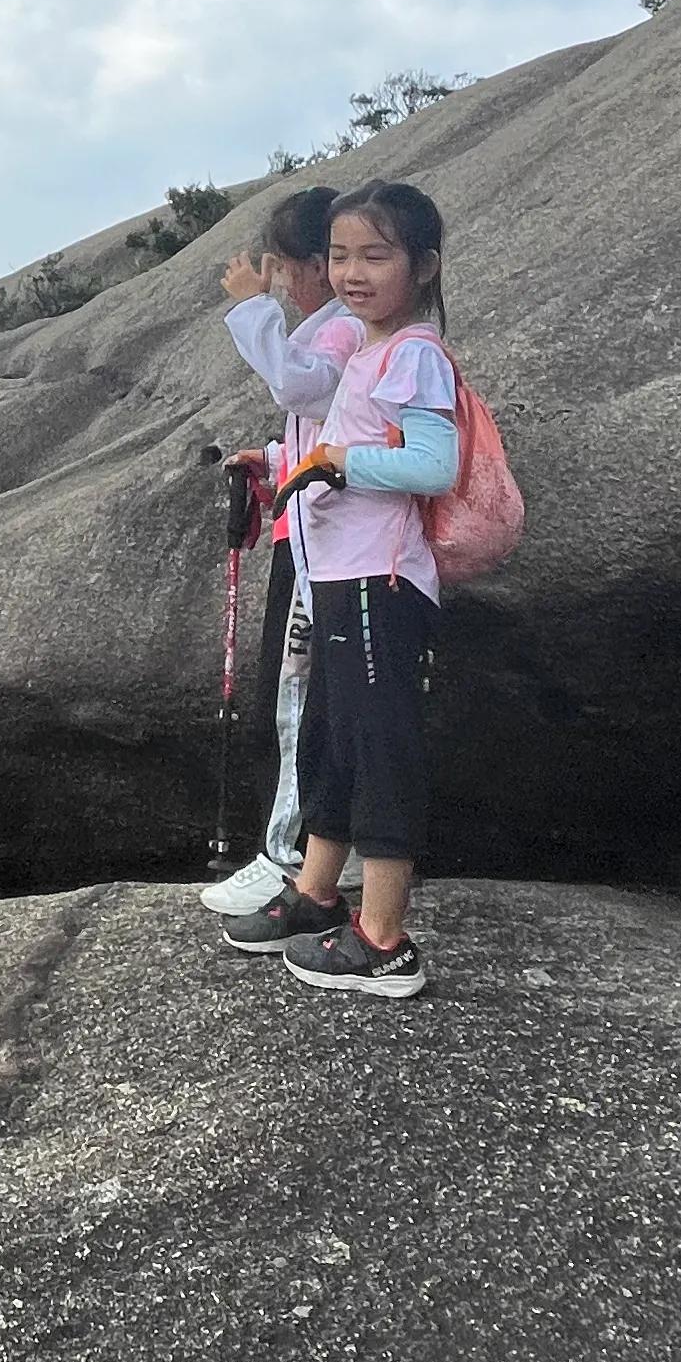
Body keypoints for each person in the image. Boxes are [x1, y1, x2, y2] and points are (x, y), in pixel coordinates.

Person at [216, 179, 465, 999]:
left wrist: (337, 463)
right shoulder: (364, 346)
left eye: (376, 256)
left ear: (423, 266)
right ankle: (317, 894)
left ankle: (386, 939)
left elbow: (435, 464)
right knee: (328, 734)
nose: (352, 273)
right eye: (340, 256)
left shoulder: (415, 352)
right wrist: (292, 463)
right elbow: (334, 429)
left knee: (376, 746)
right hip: (341, 576)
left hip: (380, 582)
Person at [203, 187, 365, 916]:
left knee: (295, 701)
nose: (282, 280)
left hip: (326, 547)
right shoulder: (339, 330)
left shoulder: (341, 332)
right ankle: (316, 847)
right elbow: (317, 421)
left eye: (284, 267)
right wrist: (273, 457)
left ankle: (286, 857)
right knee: (305, 697)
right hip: (313, 534)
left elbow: (300, 386)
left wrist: (251, 307)